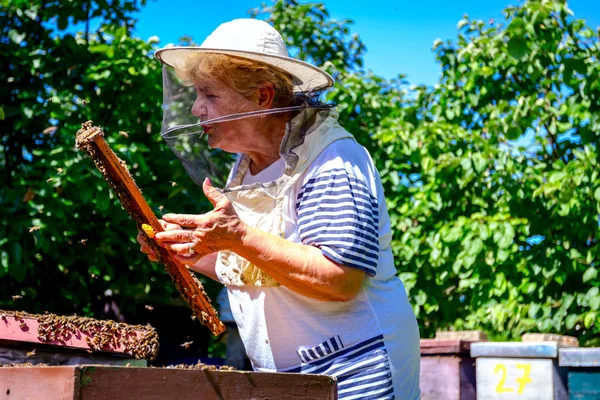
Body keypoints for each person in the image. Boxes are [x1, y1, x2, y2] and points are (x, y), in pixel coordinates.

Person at [138, 18, 420, 399]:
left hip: (354, 371)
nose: (196, 108)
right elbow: (257, 267)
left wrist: (237, 236)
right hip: (285, 379)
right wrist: (186, 250)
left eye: (209, 95)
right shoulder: (245, 167)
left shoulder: (331, 159)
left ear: (262, 96)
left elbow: (339, 278)